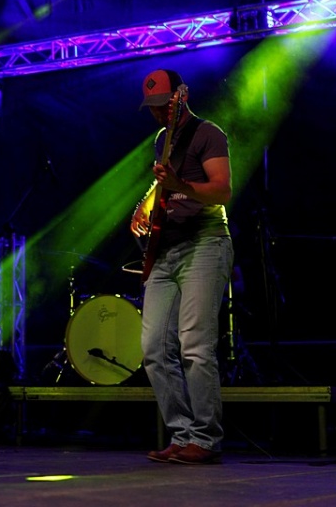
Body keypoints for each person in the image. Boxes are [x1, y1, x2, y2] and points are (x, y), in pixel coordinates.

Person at [129, 70, 233, 465]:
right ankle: (183, 434)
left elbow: (221, 190)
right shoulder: (162, 140)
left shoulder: (208, 133)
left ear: (180, 98)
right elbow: (163, 182)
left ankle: (205, 439)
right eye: (152, 107)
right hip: (167, 249)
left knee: (194, 345)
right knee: (154, 348)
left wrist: (181, 187)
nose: (157, 113)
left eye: (163, 105)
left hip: (205, 242)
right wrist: (144, 205)